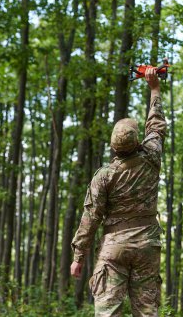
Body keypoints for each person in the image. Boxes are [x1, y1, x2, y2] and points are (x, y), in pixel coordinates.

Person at [71, 68, 167, 317]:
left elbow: (90, 217)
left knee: (107, 313)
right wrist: (154, 89)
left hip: (114, 248)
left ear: (113, 147)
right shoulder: (151, 158)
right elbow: (155, 126)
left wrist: (78, 256)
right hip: (147, 245)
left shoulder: (104, 176)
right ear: (138, 143)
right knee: (147, 312)